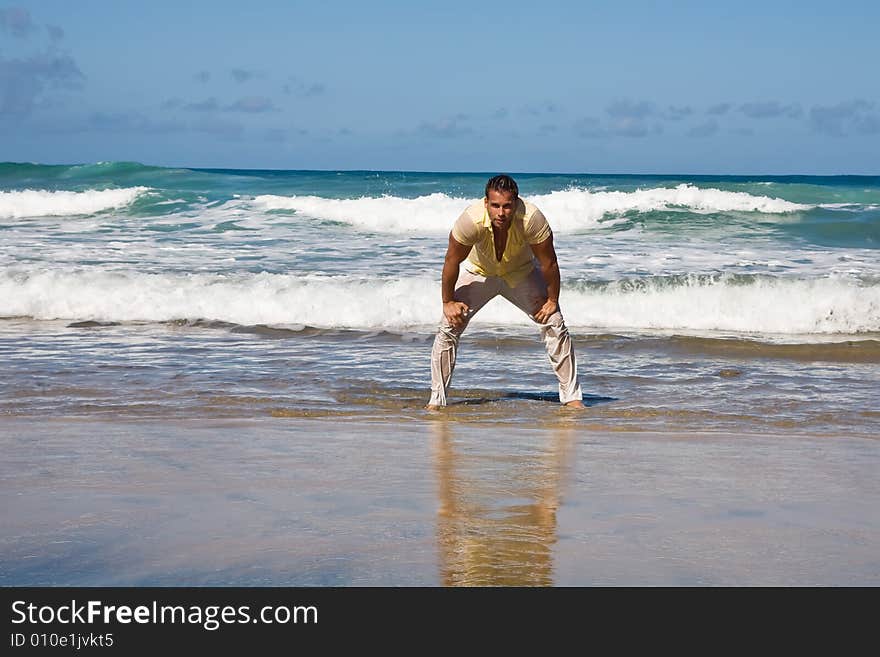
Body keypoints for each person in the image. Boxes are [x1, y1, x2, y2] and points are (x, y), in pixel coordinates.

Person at [426, 174, 585, 410]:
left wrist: (553, 300)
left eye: (507, 206)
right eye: (496, 206)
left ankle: (572, 398)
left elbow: (549, 263)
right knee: (449, 325)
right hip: (480, 271)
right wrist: (447, 301)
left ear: (516, 203)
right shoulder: (470, 220)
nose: (501, 213)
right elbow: (451, 260)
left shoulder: (532, 219)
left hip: (520, 273)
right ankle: (436, 402)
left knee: (553, 321)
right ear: (486, 203)